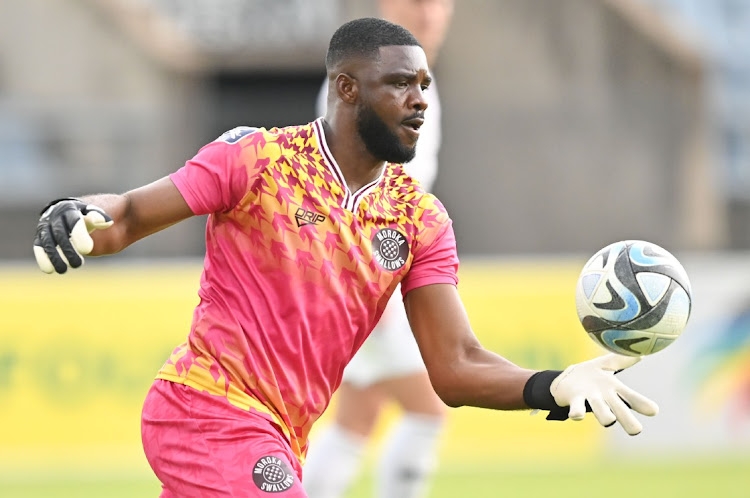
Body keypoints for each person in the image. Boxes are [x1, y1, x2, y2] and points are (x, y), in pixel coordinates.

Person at [33, 17, 658, 498]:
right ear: (347, 89)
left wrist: (551, 385)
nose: (420, 101)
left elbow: (456, 365)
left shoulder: (419, 219)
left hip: (281, 435)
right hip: (204, 408)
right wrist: (75, 211)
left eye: (424, 87)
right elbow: (127, 217)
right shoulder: (256, 160)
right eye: (400, 85)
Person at [303, 2, 453, 498]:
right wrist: (377, 278)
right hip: (368, 273)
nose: (431, 14)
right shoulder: (368, 76)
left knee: (357, 419)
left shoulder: (412, 78)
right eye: (418, 3)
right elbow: (346, 184)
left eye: (440, 3)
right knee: (428, 412)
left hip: (369, 271)